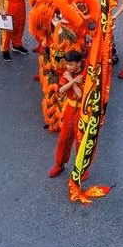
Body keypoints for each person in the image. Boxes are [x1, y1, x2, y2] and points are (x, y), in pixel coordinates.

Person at [48, 50, 85, 178]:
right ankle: (59, 164)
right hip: (69, 108)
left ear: (79, 63)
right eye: (67, 64)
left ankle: (82, 168)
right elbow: (61, 90)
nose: (68, 67)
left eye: (71, 64)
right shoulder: (68, 74)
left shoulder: (85, 73)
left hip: (83, 110)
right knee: (64, 138)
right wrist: (72, 80)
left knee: (81, 139)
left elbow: (80, 95)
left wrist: (71, 80)